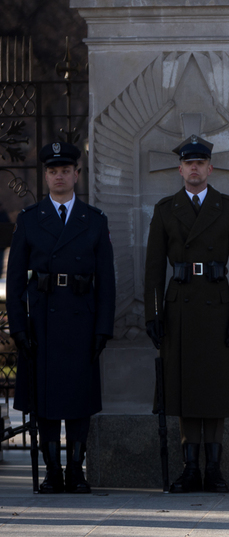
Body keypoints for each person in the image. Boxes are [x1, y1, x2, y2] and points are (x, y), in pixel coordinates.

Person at [144, 135, 229, 493]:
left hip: (218, 308)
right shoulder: (165, 210)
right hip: (180, 310)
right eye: (188, 163)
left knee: (216, 390)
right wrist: (154, 314)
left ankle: (215, 469)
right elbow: (153, 270)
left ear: (209, 167)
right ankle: (191, 468)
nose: (194, 168)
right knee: (186, 389)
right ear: (180, 169)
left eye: (200, 163)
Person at [7, 142, 115, 493]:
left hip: (80, 320)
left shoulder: (94, 221)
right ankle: (53, 470)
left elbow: (107, 282)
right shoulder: (29, 220)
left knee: (78, 399)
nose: (59, 176)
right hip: (43, 322)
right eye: (53, 171)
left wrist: (103, 328)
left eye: (65, 170)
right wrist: (19, 328)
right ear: (45, 176)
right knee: (46, 399)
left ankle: (76, 471)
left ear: (76, 175)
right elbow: (16, 282)